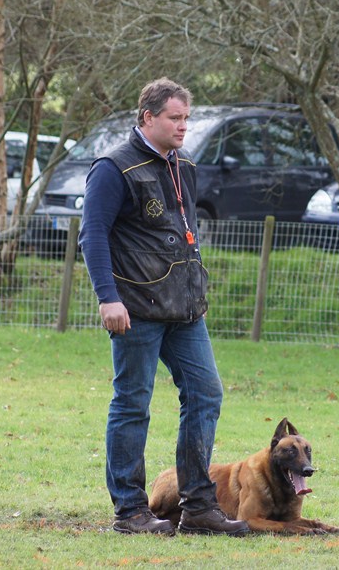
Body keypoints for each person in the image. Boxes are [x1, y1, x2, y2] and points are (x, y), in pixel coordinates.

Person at [79, 77, 248, 537]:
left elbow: (184, 233)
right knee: (133, 403)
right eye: (175, 118)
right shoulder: (113, 168)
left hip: (185, 311)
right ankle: (130, 511)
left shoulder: (183, 164)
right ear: (148, 117)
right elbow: (92, 235)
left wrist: (196, 293)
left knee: (206, 393)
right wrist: (106, 297)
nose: (183, 126)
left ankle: (198, 508)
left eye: (186, 118)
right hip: (134, 308)